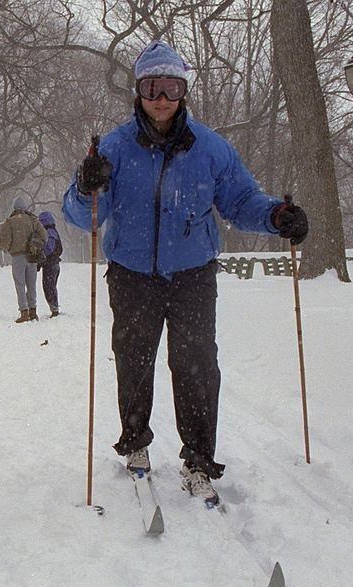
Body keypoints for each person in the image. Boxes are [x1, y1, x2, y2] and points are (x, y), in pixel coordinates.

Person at [61, 40, 308, 506]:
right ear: (139, 91)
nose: (162, 97)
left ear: (184, 92)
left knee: (196, 366)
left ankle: (198, 460)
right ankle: (135, 444)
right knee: (134, 360)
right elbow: (83, 216)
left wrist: (276, 216)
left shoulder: (211, 149)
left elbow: (241, 202)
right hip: (133, 273)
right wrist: (84, 185)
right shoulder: (113, 148)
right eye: (152, 86)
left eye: (171, 87)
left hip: (193, 272)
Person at [0, 197, 48, 323]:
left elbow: (4, 241)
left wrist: (9, 248)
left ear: (14, 207)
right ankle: (33, 311)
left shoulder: (9, 222)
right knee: (31, 284)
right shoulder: (33, 220)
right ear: (25, 207)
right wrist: (35, 245)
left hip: (17, 257)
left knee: (20, 284)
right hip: (32, 256)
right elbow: (44, 235)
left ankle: (24, 312)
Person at [36, 211, 63, 317]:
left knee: (49, 287)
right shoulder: (53, 231)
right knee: (51, 286)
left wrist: (41, 255)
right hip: (53, 263)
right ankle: (54, 308)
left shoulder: (50, 232)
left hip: (50, 264)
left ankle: (54, 310)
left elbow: (49, 249)